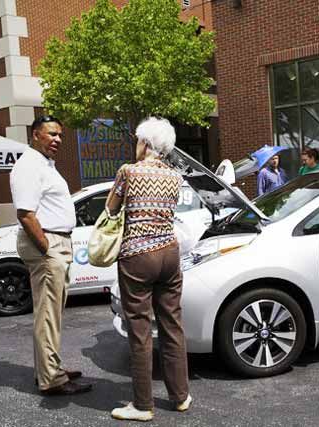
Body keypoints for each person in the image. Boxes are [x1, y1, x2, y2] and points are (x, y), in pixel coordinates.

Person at [108, 117, 191, 422]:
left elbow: (111, 209)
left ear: (144, 142)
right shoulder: (174, 176)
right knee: (172, 324)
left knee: (140, 329)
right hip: (170, 253)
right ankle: (180, 396)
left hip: (137, 254)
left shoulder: (128, 172)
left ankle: (143, 405)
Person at [10, 115, 91, 396]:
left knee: (50, 314)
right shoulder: (29, 165)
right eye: (51, 134)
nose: (57, 139)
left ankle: (47, 369)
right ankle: (51, 379)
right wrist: (47, 248)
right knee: (47, 315)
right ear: (35, 135)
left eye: (60, 135)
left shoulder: (43, 164)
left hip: (54, 243)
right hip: (47, 245)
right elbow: (25, 214)